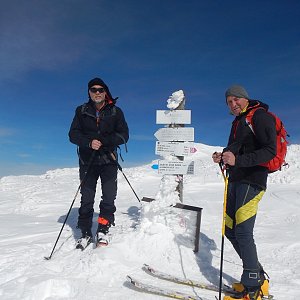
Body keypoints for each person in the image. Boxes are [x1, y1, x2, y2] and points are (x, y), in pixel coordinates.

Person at [212, 85, 276, 300]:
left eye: (236, 99)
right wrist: (224, 156)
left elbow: (270, 150)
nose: (233, 104)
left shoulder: (259, 117)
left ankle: (253, 287)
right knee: (230, 229)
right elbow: (236, 149)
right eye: (229, 102)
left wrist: (239, 160)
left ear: (245, 99)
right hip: (236, 179)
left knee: (243, 232)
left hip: (253, 180)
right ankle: (257, 276)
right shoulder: (238, 122)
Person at [69, 77, 129, 248]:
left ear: (105, 92)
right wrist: (89, 142)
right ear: (89, 92)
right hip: (87, 161)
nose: (97, 92)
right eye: (93, 89)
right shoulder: (81, 111)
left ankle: (103, 227)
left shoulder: (116, 112)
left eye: (100, 89)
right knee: (87, 197)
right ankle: (86, 231)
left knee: (109, 197)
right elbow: (73, 135)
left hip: (108, 160)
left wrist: (104, 140)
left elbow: (124, 135)